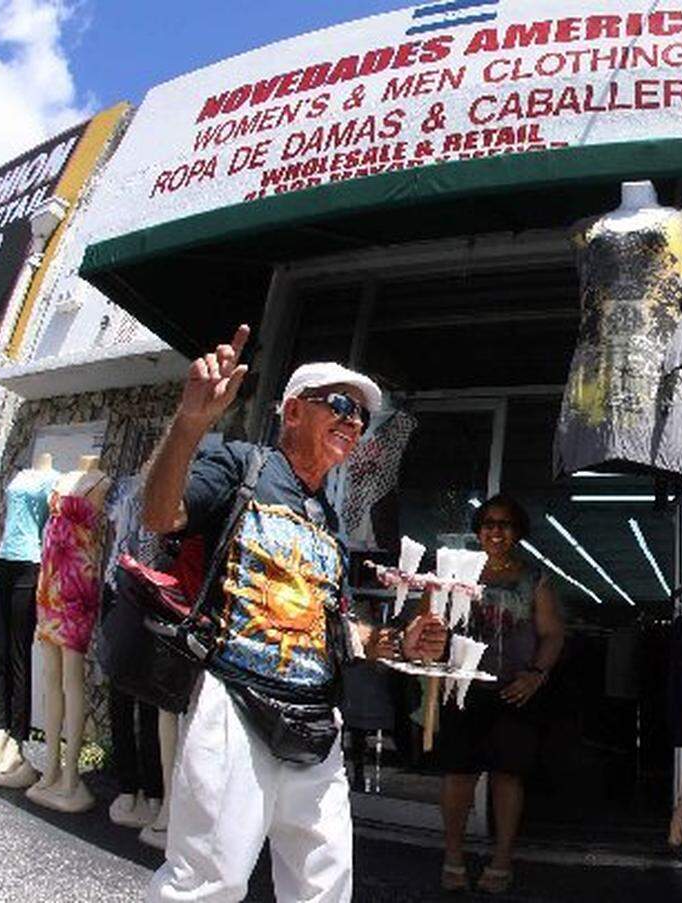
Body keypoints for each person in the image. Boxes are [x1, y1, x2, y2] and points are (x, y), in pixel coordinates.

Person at [141, 324, 446, 902]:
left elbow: (335, 627)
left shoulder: (331, 519)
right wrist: (189, 424)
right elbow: (160, 516)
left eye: (360, 415)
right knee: (210, 882)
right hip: (235, 702)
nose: (352, 421)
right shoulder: (242, 466)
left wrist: (398, 641)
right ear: (292, 412)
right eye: (337, 405)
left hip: (315, 724)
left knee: (325, 886)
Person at [438, 494, 565, 894]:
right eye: (488, 523)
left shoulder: (534, 580)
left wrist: (536, 675)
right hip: (462, 688)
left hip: (514, 691)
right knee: (458, 776)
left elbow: (552, 634)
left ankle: (502, 860)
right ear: (478, 531)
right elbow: (432, 621)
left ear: (518, 532)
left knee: (507, 778)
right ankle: (453, 856)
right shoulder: (459, 576)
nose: (496, 530)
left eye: (505, 524)